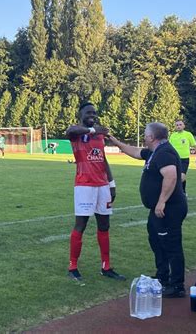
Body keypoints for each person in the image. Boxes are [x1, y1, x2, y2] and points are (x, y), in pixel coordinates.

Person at [109, 123, 188, 298]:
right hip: (158, 209)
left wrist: (161, 202)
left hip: (169, 208)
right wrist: (116, 142)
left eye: (145, 135)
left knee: (171, 245)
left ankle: (177, 285)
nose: (144, 137)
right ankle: (162, 276)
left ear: (152, 137)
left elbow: (171, 176)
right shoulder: (154, 152)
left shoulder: (165, 152)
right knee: (156, 241)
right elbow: (135, 152)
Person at [66, 102, 125, 284]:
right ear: (80, 114)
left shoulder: (99, 135)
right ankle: (73, 267)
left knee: (104, 225)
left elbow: (103, 159)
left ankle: (106, 267)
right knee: (81, 225)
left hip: (102, 186)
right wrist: (93, 130)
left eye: (95, 113)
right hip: (84, 185)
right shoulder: (77, 133)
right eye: (88, 113)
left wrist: (112, 183)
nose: (92, 115)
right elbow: (71, 130)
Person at [169, 120, 196, 194]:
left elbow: (195, 145)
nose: (178, 126)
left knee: (181, 176)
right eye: (177, 125)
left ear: (184, 126)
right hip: (174, 159)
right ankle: (181, 192)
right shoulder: (173, 135)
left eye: (180, 124)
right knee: (176, 177)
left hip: (184, 159)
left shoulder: (188, 134)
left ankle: (182, 192)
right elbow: (169, 147)